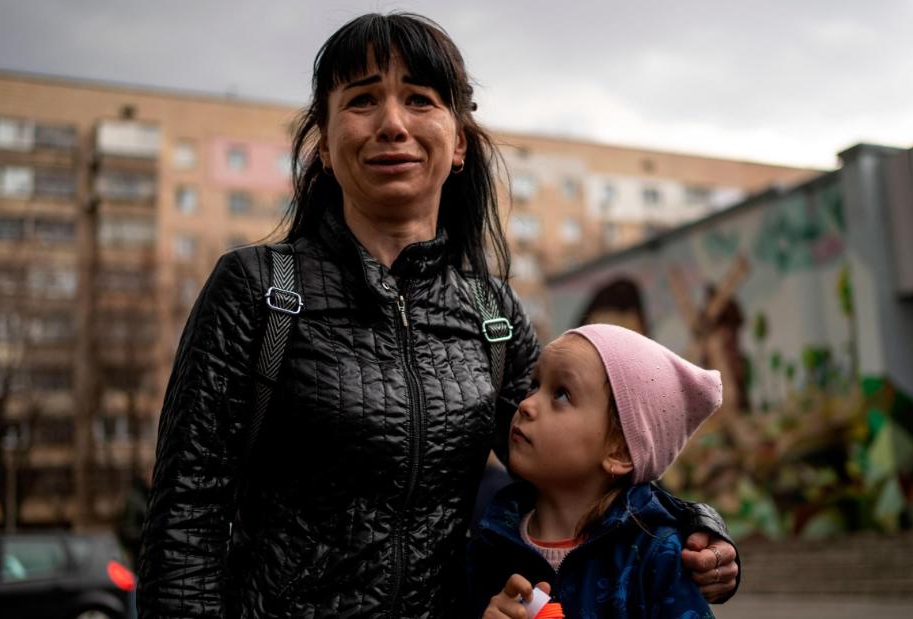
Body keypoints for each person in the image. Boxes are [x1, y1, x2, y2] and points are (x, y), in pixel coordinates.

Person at [137, 13, 739, 618]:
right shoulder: (257, 289)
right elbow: (187, 514)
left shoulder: (491, 314)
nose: (392, 123)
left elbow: (585, 455)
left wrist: (695, 529)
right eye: (363, 100)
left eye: (419, 100)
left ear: (457, 144)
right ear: (323, 142)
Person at [471, 324, 723, 618]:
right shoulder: (491, 542)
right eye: (534, 385)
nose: (526, 404)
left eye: (562, 395)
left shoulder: (656, 557)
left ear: (619, 451)